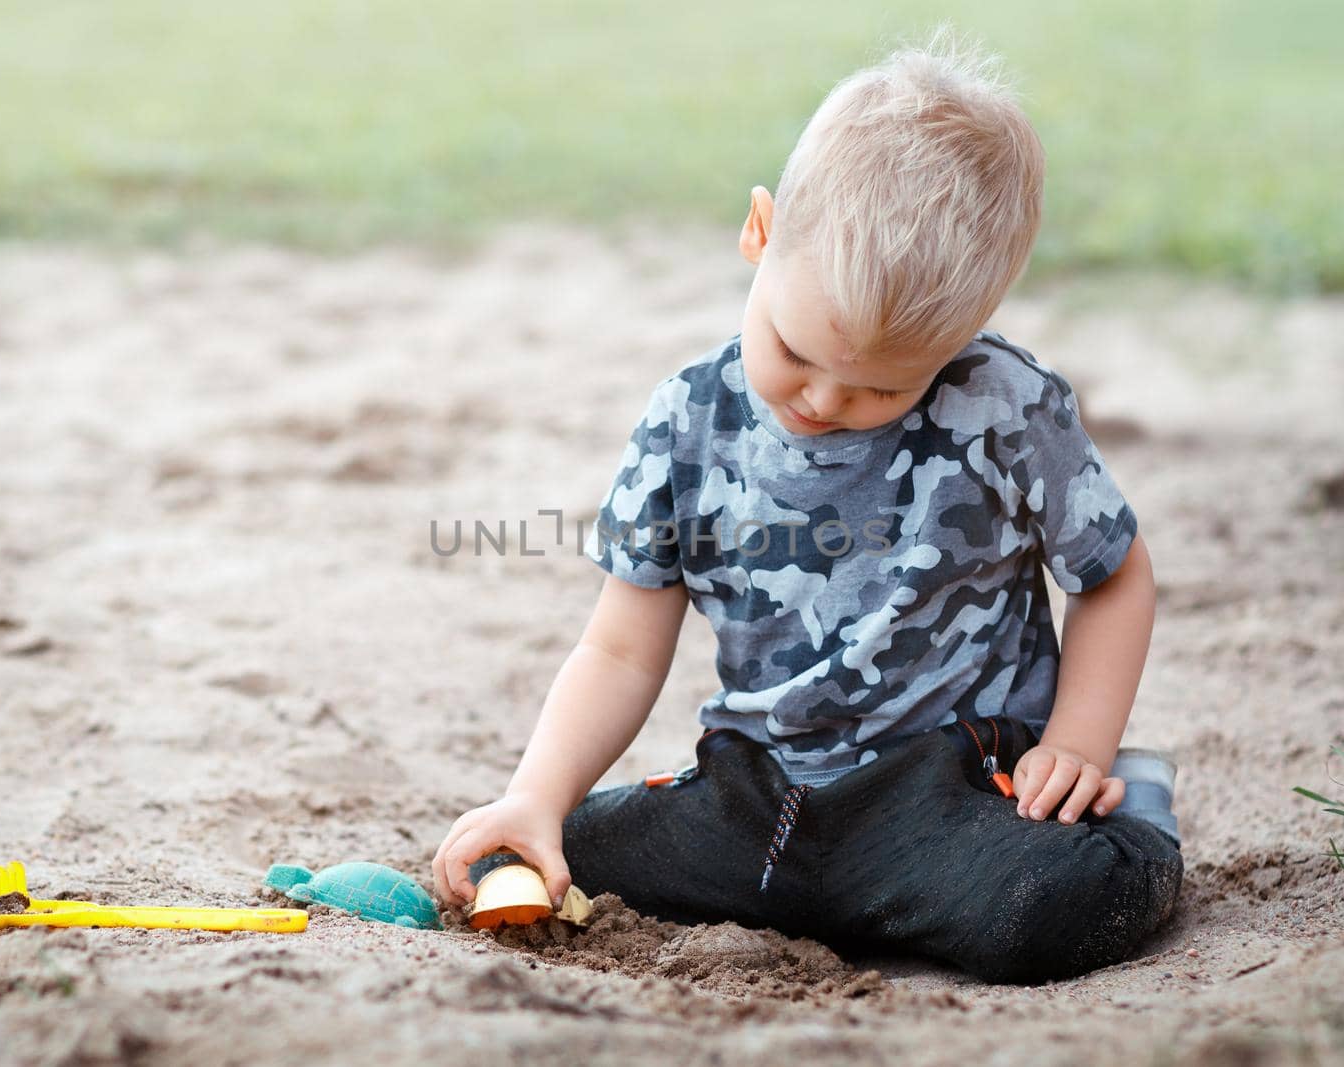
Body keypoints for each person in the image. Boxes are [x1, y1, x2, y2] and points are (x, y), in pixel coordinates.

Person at [431, 32, 1182, 984]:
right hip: (759, 790)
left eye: (880, 389)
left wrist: (1080, 743)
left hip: (949, 786)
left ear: (960, 335)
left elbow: (1114, 577)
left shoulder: (1007, 405)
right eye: (795, 350)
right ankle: (808, 883)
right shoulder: (685, 419)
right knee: (572, 849)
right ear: (760, 232)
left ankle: (1139, 809)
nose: (825, 401)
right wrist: (534, 795)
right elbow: (620, 647)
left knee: (1048, 911)